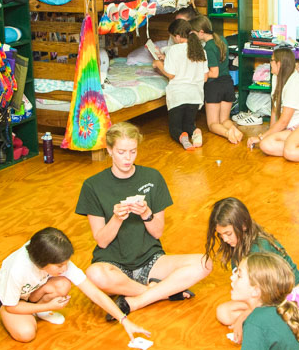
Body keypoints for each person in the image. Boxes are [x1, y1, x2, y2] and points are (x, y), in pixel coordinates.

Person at [75, 122, 211, 318]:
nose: (128, 158)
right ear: (110, 150)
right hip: (113, 264)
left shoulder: (153, 177)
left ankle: (136, 300)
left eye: (133, 151)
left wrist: (146, 212)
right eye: (121, 152)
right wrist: (116, 219)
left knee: (204, 263)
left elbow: (157, 232)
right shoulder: (93, 186)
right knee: (93, 275)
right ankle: (162, 293)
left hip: (151, 260)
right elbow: (102, 240)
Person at [205, 197, 299, 349]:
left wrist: (243, 319)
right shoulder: (237, 246)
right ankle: (276, 329)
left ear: (243, 225)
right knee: (223, 312)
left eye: (228, 233)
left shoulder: (259, 248)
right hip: (267, 299)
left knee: (264, 336)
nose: (224, 239)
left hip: (291, 300)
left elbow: (269, 296)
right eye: (221, 235)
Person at [0, 227, 150, 343]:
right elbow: (11, 307)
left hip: (33, 293)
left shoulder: (55, 257)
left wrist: (124, 321)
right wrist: (47, 306)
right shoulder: (17, 270)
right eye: (60, 266)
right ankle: (38, 310)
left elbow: (94, 293)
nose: (65, 268)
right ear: (41, 263)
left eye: (66, 263)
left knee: (62, 285)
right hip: (10, 301)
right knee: (26, 333)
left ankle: (36, 311)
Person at [152, 18, 207, 149]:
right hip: (195, 96)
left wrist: (159, 64)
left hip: (178, 95)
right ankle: (195, 132)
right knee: (188, 125)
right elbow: (204, 77)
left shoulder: (173, 50)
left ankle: (183, 140)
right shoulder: (200, 51)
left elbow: (171, 74)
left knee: (175, 128)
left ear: (177, 36)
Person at [190, 14, 243, 144]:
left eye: (194, 33)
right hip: (227, 84)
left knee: (213, 124)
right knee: (224, 120)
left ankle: (228, 133)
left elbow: (214, 72)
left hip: (215, 86)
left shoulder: (208, 47)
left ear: (201, 32)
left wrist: (199, 76)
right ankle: (235, 131)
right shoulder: (222, 39)